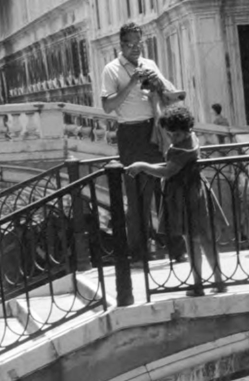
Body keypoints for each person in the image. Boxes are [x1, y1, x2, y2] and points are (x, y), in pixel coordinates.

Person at [126, 106, 227, 295]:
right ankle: (217, 281)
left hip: (187, 195)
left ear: (186, 130)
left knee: (195, 239)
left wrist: (142, 166)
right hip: (195, 190)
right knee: (203, 238)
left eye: (176, 134)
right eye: (170, 134)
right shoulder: (192, 137)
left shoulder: (182, 148)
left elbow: (167, 171)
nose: (172, 138)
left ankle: (200, 284)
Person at [101, 21, 177, 260]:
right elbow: (107, 106)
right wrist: (132, 82)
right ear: (121, 45)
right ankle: (139, 252)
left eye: (138, 44)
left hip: (154, 131)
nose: (135, 49)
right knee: (136, 197)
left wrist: (158, 82)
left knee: (165, 190)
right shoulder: (111, 70)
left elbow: (171, 95)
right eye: (130, 44)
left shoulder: (150, 64)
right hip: (131, 134)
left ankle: (174, 247)